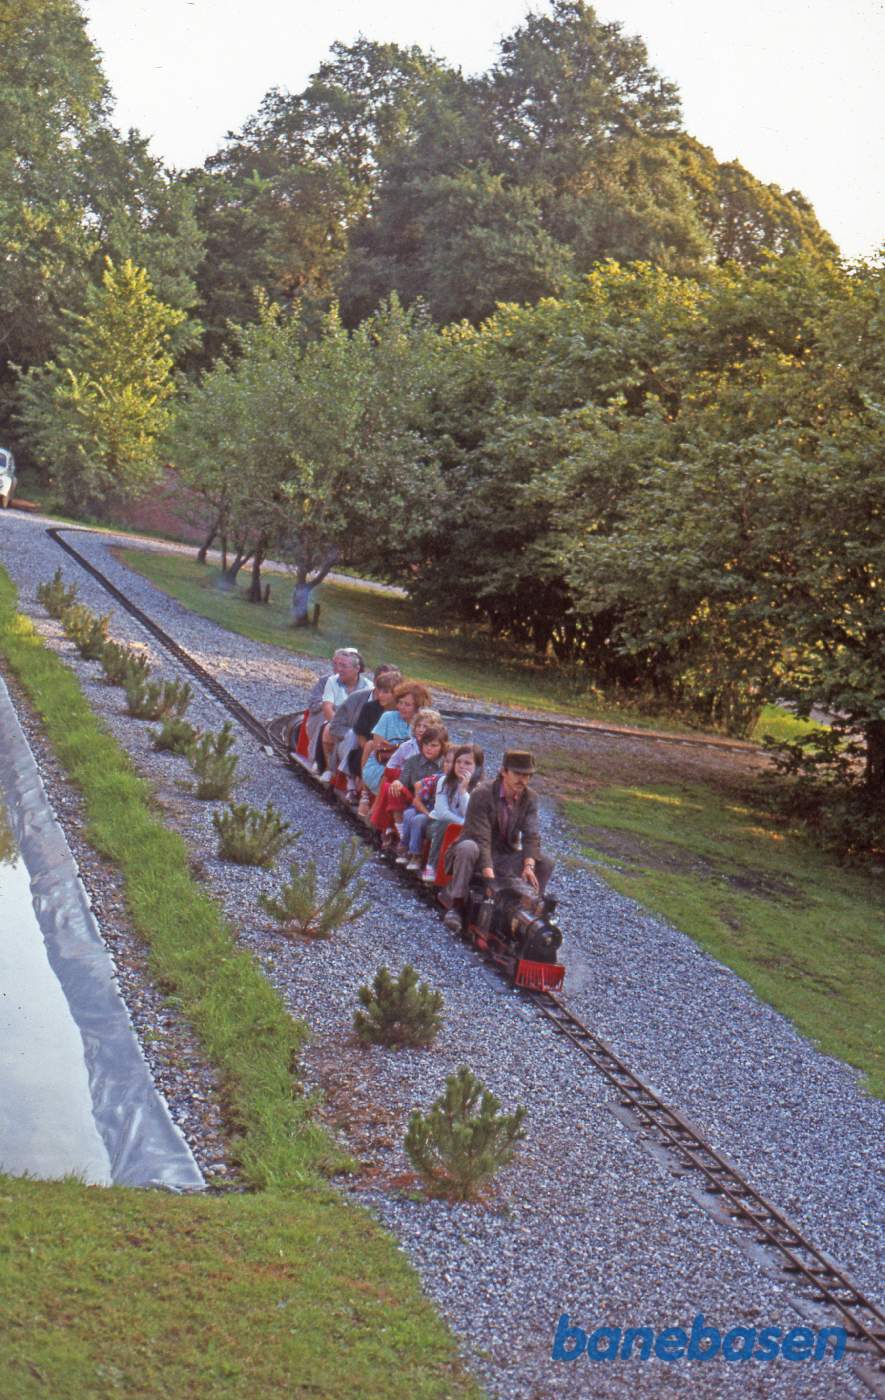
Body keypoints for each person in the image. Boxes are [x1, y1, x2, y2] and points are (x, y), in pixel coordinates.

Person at [443, 750, 554, 932]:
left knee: (546, 862)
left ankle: (527, 917)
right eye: (517, 774)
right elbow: (481, 837)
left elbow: (531, 834)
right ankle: (456, 906)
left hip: (504, 853)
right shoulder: (482, 793)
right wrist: (491, 879)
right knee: (467, 847)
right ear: (503, 771)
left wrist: (529, 866)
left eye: (527, 775)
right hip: (477, 852)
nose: (522, 780)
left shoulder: (530, 798)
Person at [327, 664, 401, 799]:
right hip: (368, 749)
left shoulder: (401, 711)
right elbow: (360, 735)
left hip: (392, 751)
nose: (380, 695)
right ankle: (355, 786)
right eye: (380, 690)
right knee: (361, 742)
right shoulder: (369, 707)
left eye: (386, 692)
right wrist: (374, 751)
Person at [359, 681, 431, 811]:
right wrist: (401, 750)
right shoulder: (388, 717)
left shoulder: (423, 724)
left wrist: (395, 747)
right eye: (400, 703)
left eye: (407, 705)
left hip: (410, 767)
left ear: (417, 707)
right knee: (394, 774)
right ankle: (373, 805)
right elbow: (378, 747)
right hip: (382, 763)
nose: (402, 707)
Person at [422, 743, 484, 881]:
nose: (462, 766)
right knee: (445, 824)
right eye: (458, 761)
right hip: (438, 824)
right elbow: (442, 812)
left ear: (477, 768)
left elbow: (471, 815)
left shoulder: (481, 790)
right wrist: (464, 824)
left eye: (467, 763)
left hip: (466, 832)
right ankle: (431, 865)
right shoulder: (444, 781)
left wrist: (463, 791)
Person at [395, 726, 448, 868]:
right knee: (408, 814)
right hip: (417, 802)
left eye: (434, 745)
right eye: (425, 744)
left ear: (442, 747)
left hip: (436, 806)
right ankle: (406, 849)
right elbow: (403, 779)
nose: (428, 749)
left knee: (418, 820)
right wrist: (398, 782)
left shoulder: (445, 764)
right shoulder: (413, 761)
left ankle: (416, 855)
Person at [318, 648, 372, 779]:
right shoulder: (332, 680)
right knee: (328, 729)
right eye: (338, 665)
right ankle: (329, 768)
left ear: (357, 668)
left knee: (355, 737)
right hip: (337, 719)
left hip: (356, 724)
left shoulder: (368, 687)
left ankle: (352, 775)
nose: (339, 669)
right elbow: (327, 707)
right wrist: (337, 724)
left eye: (344, 666)